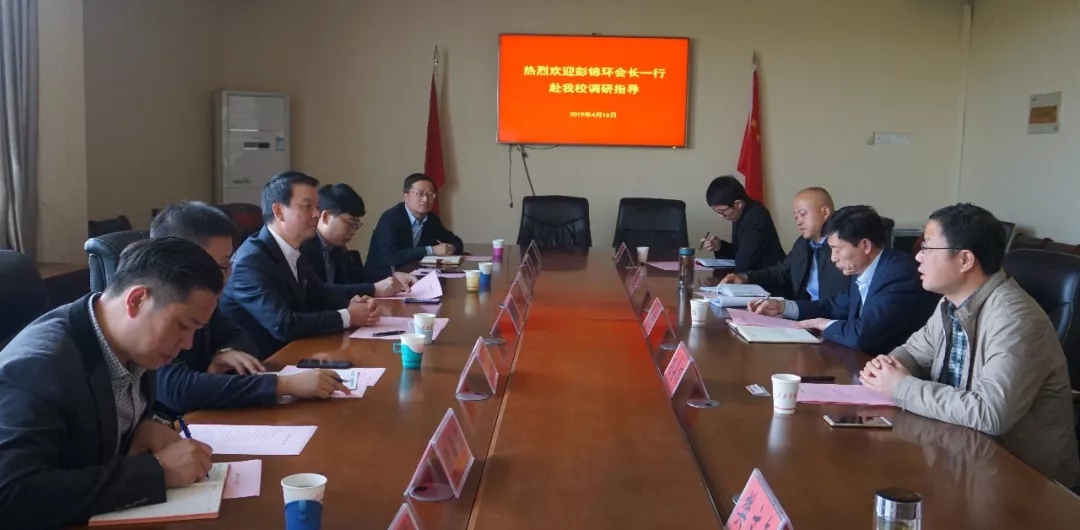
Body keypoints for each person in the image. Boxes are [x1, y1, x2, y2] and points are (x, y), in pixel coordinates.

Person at [0, 238, 218, 528]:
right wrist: (157, 471)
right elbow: (12, 496)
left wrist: (145, 425)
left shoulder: (135, 340)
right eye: (182, 325)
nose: (188, 343)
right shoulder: (38, 367)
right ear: (137, 300)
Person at [860, 203, 1079, 487]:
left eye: (927, 247)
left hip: (1026, 482)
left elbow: (990, 414)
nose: (918, 257)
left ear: (965, 260)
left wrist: (900, 387)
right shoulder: (951, 303)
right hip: (960, 457)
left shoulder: (1016, 320)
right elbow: (914, 351)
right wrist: (886, 367)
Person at [151, 202, 350, 414]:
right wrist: (284, 385)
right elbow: (178, 390)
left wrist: (224, 353)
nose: (229, 275)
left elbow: (242, 338)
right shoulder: (156, 308)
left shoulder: (205, 301)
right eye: (222, 266)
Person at [219, 171, 382, 357]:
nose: (317, 214)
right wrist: (349, 316)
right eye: (307, 206)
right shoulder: (250, 261)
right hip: (264, 362)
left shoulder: (296, 249)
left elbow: (320, 294)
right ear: (279, 211)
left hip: (297, 351)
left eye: (317, 206)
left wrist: (355, 304)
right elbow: (283, 324)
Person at [750, 205, 937, 354]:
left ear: (865, 245)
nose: (833, 258)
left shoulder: (898, 274)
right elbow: (833, 307)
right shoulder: (865, 270)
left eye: (837, 250)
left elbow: (862, 335)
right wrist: (783, 307)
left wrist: (823, 324)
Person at [720, 187, 848, 301]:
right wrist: (746, 278)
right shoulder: (803, 244)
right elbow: (780, 272)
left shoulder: (844, 248)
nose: (799, 222)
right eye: (796, 217)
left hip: (831, 316)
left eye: (803, 214)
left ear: (825, 212)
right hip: (804, 312)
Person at [300, 183, 415, 298]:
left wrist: (393, 276)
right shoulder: (303, 247)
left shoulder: (336, 247)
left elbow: (358, 276)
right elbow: (320, 292)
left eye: (356, 225)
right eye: (350, 223)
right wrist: (372, 290)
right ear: (326, 217)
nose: (353, 231)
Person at [366, 173, 465, 277]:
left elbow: (456, 241)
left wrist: (450, 248)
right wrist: (431, 250)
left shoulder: (432, 219)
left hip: (414, 273)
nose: (425, 199)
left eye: (430, 194)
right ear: (406, 196)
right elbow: (392, 257)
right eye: (419, 193)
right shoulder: (391, 218)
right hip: (383, 277)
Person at [700, 175, 785, 273]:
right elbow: (739, 252)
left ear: (738, 204)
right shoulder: (741, 213)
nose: (721, 216)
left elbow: (743, 263)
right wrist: (720, 246)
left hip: (771, 277)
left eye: (722, 211)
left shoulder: (756, 217)